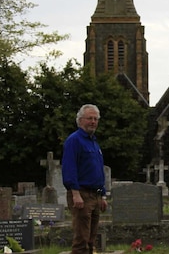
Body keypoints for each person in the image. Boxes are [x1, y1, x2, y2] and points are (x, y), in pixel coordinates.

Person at [62, 104, 108, 254]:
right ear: (80, 120)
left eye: (95, 119)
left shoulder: (94, 143)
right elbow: (70, 168)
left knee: (91, 239)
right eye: (90, 118)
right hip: (81, 194)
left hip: (95, 195)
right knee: (81, 238)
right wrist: (75, 193)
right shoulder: (74, 141)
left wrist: (103, 194)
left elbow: (98, 171)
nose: (93, 122)